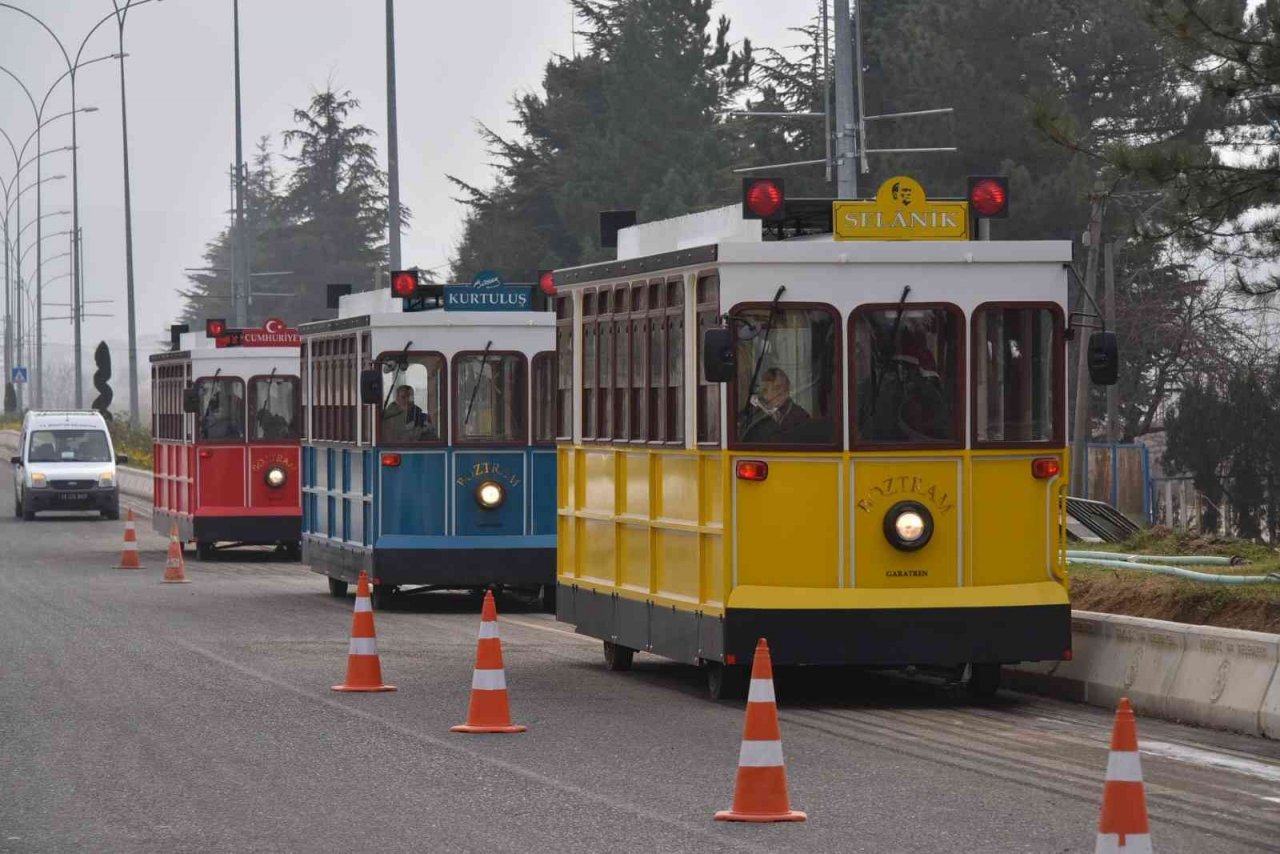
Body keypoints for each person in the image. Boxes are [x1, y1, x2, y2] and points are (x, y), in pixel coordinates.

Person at [739, 367, 810, 442]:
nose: (779, 392)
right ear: (763, 392)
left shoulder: (800, 415)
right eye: (775, 388)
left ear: (788, 389)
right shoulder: (750, 416)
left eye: (780, 387)